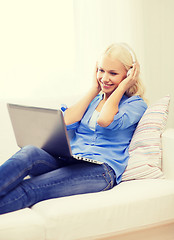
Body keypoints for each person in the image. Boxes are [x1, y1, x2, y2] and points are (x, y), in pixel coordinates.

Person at [0, 43, 147, 214]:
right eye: (101, 70)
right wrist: (94, 89)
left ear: (129, 75)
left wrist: (122, 87)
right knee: (28, 152)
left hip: (101, 170)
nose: (105, 78)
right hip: (72, 159)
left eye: (113, 73)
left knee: (30, 188)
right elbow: (66, 122)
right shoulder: (93, 100)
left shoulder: (135, 105)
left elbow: (105, 120)